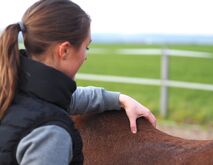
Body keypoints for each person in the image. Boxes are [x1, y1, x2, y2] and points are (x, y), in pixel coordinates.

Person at [0, 0, 156, 164]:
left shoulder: (10, 89)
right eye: (86, 47)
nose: (85, 56)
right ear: (64, 50)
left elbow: (67, 99)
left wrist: (119, 99)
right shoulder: (50, 134)